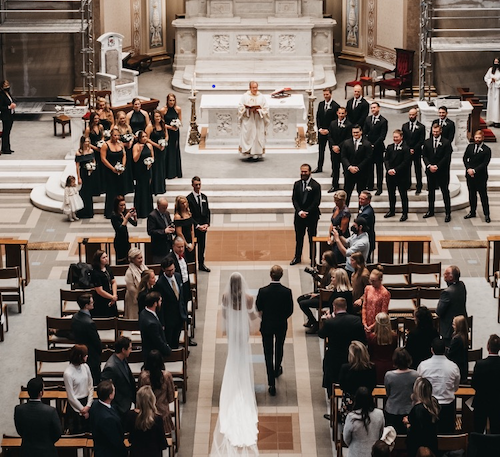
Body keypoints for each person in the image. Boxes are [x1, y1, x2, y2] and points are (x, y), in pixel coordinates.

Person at [210, 272, 260, 456]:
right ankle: (242, 383)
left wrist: (228, 324)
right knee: (242, 355)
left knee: (234, 354)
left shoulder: (225, 296)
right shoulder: (248, 298)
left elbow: (224, 313)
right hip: (243, 330)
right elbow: (252, 316)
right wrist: (259, 319)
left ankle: (233, 382)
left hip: (233, 329)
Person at [256, 265, 294, 396]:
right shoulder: (287, 291)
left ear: (270, 274)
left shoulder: (263, 291)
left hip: (267, 324)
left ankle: (271, 382)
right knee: (279, 347)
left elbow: (258, 307)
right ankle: (277, 368)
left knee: (268, 353)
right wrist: (281, 317)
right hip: (281, 324)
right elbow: (290, 310)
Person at [318, 297, 367, 398]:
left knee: (331, 378)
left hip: (334, 356)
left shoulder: (330, 322)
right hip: (351, 356)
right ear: (346, 307)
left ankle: (332, 399)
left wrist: (325, 321)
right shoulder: (356, 320)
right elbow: (363, 339)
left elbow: (321, 334)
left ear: (334, 308)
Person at [417, 337, 460, 433]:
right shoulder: (453, 366)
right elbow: (455, 387)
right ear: (445, 349)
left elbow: (419, 385)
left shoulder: (423, 365)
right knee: (447, 435)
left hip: (428, 405)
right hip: (447, 406)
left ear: (431, 350)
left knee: (428, 434)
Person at [14, 377, 62, 457]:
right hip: (47, 451)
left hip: (27, 451)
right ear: (41, 393)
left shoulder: (19, 409)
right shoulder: (51, 411)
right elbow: (57, 433)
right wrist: (48, 442)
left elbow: (20, 430)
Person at [138, 350, 176, 434]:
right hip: (163, 413)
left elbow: (140, 396)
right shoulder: (167, 376)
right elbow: (171, 398)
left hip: (147, 414)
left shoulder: (143, 377)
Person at [298, 250, 337, 331]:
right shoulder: (327, 269)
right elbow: (324, 283)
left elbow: (330, 289)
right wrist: (316, 276)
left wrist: (317, 295)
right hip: (321, 293)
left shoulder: (332, 272)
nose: (322, 261)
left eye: (323, 259)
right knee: (300, 299)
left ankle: (314, 323)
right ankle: (311, 320)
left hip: (325, 298)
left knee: (303, 304)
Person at [290, 163, 321, 265]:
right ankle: (297, 257)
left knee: (312, 238)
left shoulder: (316, 185)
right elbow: (294, 199)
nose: (303, 173)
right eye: (302, 171)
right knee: (299, 238)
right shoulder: (297, 184)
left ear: (310, 172)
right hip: (299, 217)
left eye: (305, 172)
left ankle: (312, 258)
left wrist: (307, 212)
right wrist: (299, 211)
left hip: (311, 216)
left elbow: (316, 202)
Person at [339, 341, 377, 421]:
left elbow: (342, 385)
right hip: (367, 399)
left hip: (350, 401)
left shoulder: (345, 368)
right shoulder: (371, 368)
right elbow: (373, 384)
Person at [422, 123, 453, 222]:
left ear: (440, 131)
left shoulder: (446, 142)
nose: (435, 133)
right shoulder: (427, 142)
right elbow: (424, 156)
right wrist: (429, 166)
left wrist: (437, 166)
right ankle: (430, 210)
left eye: (436, 131)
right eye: (433, 131)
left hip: (442, 171)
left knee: (445, 191)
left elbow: (446, 157)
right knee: (431, 192)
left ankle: (448, 213)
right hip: (430, 171)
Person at [384, 348, 419, 434]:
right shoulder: (415, 375)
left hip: (392, 409)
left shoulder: (389, 375)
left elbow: (388, 392)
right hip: (409, 409)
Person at [125, 385, 167, 457]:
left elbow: (127, 433)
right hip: (153, 453)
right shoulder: (157, 418)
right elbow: (162, 443)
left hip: (136, 452)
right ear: (152, 399)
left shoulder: (130, 415)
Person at [154, 256, 187, 349]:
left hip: (180, 315)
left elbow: (181, 296)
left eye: (172, 269)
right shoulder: (160, 284)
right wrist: (162, 322)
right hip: (169, 319)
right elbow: (160, 306)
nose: (171, 272)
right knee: (169, 341)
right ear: (163, 270)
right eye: (168, 270)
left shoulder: (177, 276)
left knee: (176, 339)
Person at [343, 387, 385, 457]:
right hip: (374, 452)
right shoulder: (379, 414)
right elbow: (381, 433)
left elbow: (346, 438)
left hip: (356, 452)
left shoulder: (351, 417)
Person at [101, 336, 136, 418]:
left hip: (126, 403)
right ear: (123, 350)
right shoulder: (110, 367)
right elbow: (107, 389)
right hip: (119, 407)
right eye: (130, 348)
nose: (131, 350)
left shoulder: (123, 359)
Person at [404, 377, 440, 457]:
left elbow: (416, 432)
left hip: (420, 449)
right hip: (432, 443)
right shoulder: (434, 403)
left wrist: (408, 425)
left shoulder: (417, 409)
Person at [471, 333, 500, 433]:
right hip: (497, 402)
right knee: (496, 431)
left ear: (488, 346)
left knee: (478, 430)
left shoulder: (480, 364)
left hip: (481, 401)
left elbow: (474, 384)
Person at [90, 380, 127, 457]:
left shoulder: (95, 404)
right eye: (113, 391)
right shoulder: (108, 419)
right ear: (110, 396)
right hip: (108, 453)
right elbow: (115, 441)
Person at [71, 293, 102, 385]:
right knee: (94, 379)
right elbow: (96, 341)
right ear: (86, 305)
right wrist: (100, 351)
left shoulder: (75, 317)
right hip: (91, 354)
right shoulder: (89, 323)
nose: (93, 304)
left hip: (79, 349)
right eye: (91, 303)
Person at [63, 344, 93, 433]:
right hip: (75, 406)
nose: (87, 356)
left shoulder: (85, 367)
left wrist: (88, 405)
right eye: (85, 355)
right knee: (76, 433)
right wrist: (82, 410)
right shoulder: (68, 373)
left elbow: (90, 386)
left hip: (86, 402)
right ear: (80, 357)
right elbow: (71, 396)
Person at [463, 129, 491, 223]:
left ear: (482, 138)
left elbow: (484, 163)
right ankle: (472, 211)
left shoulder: (487, 150)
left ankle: (486, 214)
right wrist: (468, 169)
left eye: (479, 138)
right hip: (469, 175)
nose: (477, 139)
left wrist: (474, 171)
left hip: (480, 176)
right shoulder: (470, 146)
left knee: (483, 196)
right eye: (476, 137)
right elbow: (465, 158)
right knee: (472, 194)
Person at [341, 125, 373, 206]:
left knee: (361, 194)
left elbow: (368, 158)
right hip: (349, 173)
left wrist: (358, 167)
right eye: (354, 132)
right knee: (347, 193)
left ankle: (361, 211)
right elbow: (343, 157)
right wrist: (349, 167)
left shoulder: (367, 144)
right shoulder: (346, 143)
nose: (355, 134)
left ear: (361, 132)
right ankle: (345, 211)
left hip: (362, 173)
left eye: (357, 132)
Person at [237, 81, 270, 160]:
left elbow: (266, 108)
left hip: (258, 120)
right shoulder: (245, 96)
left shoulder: (261, 96)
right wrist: (248, 110)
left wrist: (259, 111)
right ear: (250, 88)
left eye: (256, 87)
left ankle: (257, 153)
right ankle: (248, 153)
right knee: (249, 135)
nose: (255, 89)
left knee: (257, 136)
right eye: (253, 88)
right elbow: (240, 108)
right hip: (249, 120)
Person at [436, 265, 467, 346]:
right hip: (462, 325)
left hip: (449, 329)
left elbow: (439, 311)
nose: (444, 275)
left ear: (451, 277)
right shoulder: (462, 285)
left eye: (446, 274)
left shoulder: (447, 293)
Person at [384, 129, 411, 221]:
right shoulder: (389, 147)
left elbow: (406, 162)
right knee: (391, 194)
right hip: (390, 175)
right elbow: (386, 159)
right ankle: (392, 210)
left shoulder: (406, 148)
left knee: (403, 195)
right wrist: (388, 169)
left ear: (401, 137)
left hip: (401, 175)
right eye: (394, 137)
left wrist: (395, 170)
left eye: (397, 137)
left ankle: (405, 213)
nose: (395, 139)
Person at [187, 176, 211, 272]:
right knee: (193, 247)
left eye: (199, 184)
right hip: (194, 227)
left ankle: (201, 264)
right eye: (196, 184)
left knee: (202, 246)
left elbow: (207, 211)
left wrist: (206, 224)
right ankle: (192, 265)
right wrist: (197, 226)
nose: (198, 186)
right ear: (192, 185)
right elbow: (189, 215)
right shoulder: (188, 198)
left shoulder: (204, 197)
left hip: (203, 227)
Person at [101, 127, 126, 218]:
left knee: (120, 190)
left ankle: (121, 210)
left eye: (118, 135)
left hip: (120, 171)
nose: (117, 137)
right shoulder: (105, 145)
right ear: (111, 135)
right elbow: (103, 159)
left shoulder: (121, 144)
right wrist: (112, 168)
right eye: (115, 135)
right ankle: (110, 211)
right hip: (110, 171)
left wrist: (122, 166)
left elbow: (124, 155)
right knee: (111, 191)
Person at [363, 102, 388, 195]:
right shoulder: (368, 119)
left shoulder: (383, 121)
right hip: (369, 147)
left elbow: (382, 136)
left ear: (378, 108)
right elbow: (364, 132)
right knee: (369, 167)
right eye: (371, 108)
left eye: (374, 108)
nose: (373, 109)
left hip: (378, 148)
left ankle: (379, 187)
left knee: (379, 169)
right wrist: (368, 144)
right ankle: (370, 185)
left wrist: (374, 145)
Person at [139, 291, 172, 360]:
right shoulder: (152, 324)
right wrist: (168, 350)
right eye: (160, 301)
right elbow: (158, 342)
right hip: (154, 357)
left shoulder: (143, 312)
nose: (161, 303)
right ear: (155, 304)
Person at [367, 312, 397, 384]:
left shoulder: (372, 337)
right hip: (391, 365)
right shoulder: (394, 336)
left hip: (375, 366)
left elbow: (369, 353)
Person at [314, 87, 339, 173]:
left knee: (332, 152)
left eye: (327, 94)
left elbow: (336, 120)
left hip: (331, 133)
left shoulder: (336, 106)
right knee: (321, 150)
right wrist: (320, 128)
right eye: (324, 94)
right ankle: (319, 167)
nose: (325, 96)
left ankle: (334, 170)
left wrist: (329, 130)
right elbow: (318, 117)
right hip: (321, 132)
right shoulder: (321, 104)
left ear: (331, 94)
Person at [328, 106, 352, 192]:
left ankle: (347, 186)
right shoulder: (332, 123)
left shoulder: (349, 125)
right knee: (335, 168)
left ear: (345, 114)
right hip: (334, 150)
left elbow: (348, 138)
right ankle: (335, 185)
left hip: (344, 150)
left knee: (345, 169)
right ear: (337, 113)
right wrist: (334, 146)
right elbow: (329, 136)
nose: (341, 115)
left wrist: (339, 146)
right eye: (339, 113)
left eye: (343, 113)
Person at [402, 108, 425, 195]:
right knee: (407, 168)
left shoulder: (421, 127)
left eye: (413, 115)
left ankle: (419, 186)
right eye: (410, 115)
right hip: (407, 151)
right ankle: (408, 185)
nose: (411, 116)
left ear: (416, 115)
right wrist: (408, 149)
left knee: (417, 169)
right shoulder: (405, 126)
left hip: (417, 151)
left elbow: (421, 140)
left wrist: (414, 149)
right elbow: (403, 139)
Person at [361, 267, 391, 333]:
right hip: (366, 323)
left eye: (374, 281)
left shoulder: (385, 293)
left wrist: (372, 327)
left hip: (378, 324)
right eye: (370, 280)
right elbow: (364, 306)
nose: (371, 283)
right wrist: (364, 323)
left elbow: (383, 313)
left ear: (380, 280)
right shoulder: (367, 288)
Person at [147, 197, 176, 264]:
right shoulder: (152, 216)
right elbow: (150, 231)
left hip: (168, 245)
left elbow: (169, 223)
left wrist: (172, 228)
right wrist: (164, 231)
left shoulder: (167, 213)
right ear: (158, 206)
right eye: (163, 207)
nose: (165, 209)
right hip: (159, 247)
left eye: (166, 207)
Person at [146, 110, 168, 195]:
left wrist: (164, 143)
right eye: (156, 117)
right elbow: (147, 138)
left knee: (161, 167)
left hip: (162, 149)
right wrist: (156, 145)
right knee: (155, 168)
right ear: (153, 117)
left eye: (159, 116)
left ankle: (161, 187)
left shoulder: (163, 125)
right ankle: (155, 188)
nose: (158, 118)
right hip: (154, 149)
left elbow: (166, 135)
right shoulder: (150, 126)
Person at [160, 93, 182, 178]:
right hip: (167, 132)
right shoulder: (163, 110)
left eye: (173, 100)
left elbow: (180, 121)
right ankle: (168, 172)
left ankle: (176, 171)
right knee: (168, 150)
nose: (172, 102)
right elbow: (161, 123)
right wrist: (170, 127)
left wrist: (177, 125)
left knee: (175, 149)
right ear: (167, 101)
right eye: (170, 100)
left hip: (175, 132)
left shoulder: (178, 109)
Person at [133, 130, 154, 218]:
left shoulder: (149, 145)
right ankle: (140, 210)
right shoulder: (136, 146)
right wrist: (140, 151)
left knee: (148, 188)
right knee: (140, 188)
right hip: (139, 170)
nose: (145, 138)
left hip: (148, 169)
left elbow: (152, 156)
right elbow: (135, 159)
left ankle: (148, 209)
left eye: (146, 136)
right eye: (143, 137)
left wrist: (150, 162)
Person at [111, 195, 138, 265]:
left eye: (124, 205)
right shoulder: (114, 216)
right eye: (121, 205)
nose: (123, 207)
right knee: (121, 261)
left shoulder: (124, 213)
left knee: (128, 260)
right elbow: (120, 229)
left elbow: (134, 224)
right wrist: (126, 218)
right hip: (119, 242)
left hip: (126, 240)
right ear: (117, 205)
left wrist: (135, 216)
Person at [91, 250, 118, 318]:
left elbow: (113, 282)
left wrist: (114, 295)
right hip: (101, 299)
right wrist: (112, 297)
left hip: (111, 295)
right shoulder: (95, 273)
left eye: (106, 256)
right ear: (98, 260)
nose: (106, 259)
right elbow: (100, 291)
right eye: (103, 257)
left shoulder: (108, 268)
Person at [327, 189, 351, 264]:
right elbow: (332, 223)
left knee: (338, 259)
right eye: (335, 200)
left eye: (338, 201)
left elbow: (342, 230)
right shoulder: (335, 209)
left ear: (343, 201)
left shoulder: (345, 212)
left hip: (341, 238)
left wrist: (334, 240)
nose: (336, 202)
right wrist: (329, 236)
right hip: (334, 236)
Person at [115, 110, 135, 195]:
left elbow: (132, 135)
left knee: (129, 167)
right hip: (121, 149)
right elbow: (115, 139)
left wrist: (130, 142)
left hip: (129, 148)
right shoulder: (116, 128)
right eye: (121, 118)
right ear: (118, 119)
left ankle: (130, 187)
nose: (123, 120)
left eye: (124, 118)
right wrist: (123, 144)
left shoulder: (128, 126)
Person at [75, 136, 95, 218]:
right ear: (82, 142)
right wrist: (79, 177)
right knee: (83, 193)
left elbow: (94, 161)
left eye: (88, 141)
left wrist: (92, 167)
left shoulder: (91, 151)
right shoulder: (79, 152)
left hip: (90, 174)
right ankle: (82, 212)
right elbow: (77, 166)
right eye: (86, 141)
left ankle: (90, 212)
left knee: (89, 193)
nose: (87, 143)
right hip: (83, 174)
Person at [85, 111, 105, 196]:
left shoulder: (100, 127)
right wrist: (95, 148)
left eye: (98, 118)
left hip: (100, 149)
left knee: (102, 168)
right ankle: (95, 188)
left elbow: (102, 136)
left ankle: (103, 187)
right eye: (95, 118)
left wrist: (102, 143)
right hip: (93, 149)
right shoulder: (88, 129)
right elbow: (86, 142)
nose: (97, 120)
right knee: (95, 168)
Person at [124, 248, 148, 319]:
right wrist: (141, 296)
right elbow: (131, 289)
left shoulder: (144, 267)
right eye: (139, 258)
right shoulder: (129, 272)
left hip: (145, 296)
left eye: (141, 257)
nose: (141, 260)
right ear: (133, 260)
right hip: (134, 298)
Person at [446, 315, 468, 383]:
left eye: (453, 324)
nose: (452, 326)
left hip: (457, 366)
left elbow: (450, 353)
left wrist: (444, 349)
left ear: (458, 326)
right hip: (463, 366)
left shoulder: (456, 339)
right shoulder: (465, 336)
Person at [174, 195, 196, 264]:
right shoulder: (178, 216)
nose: (184, 205)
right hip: (183, 241)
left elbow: (192, 230)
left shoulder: (188, 213)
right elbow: (179, 233)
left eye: (185, 202)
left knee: (192, 261)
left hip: (190, 239)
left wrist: (192, 243)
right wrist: (186, 245)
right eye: (182, 203)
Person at [358, 191, 376, 262]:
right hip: (365, 239)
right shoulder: (364, 208)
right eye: (359, 198)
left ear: (368, 201)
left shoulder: (367, 213)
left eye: (362, 199)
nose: (360, 200)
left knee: (365, 261)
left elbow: (361, 226)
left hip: (367, 240)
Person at [0, 80, 16, 154]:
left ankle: (7, 147)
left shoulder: (8, 93)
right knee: (5, 132)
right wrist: (9, 107)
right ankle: (5, 148)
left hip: (10, 115)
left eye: (8, 84)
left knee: (8, 132)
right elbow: (1, 107)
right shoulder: (1, 94)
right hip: (5, 116)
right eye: (5, 84)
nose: (7, 85)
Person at [484, 57, 500, 127]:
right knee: (492, 105)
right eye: (495, 62)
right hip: (492, 90)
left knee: (497, 105)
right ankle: (492, 120)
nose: (496, 63)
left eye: (497, 62)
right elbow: (486, 77)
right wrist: (490, 80)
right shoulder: (491, 70)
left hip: (498, 90)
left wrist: (496, 81)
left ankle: (498, 121)